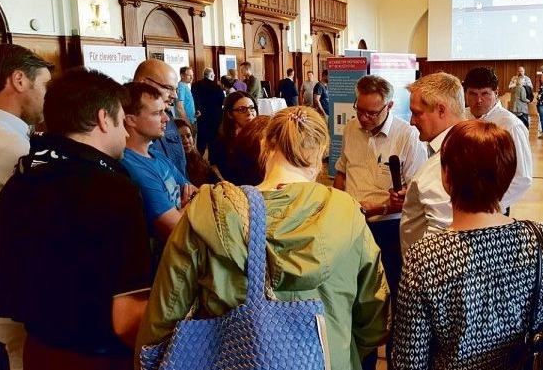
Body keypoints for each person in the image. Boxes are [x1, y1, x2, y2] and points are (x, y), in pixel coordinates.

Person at [137, 106, 390, 370]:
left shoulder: (210, 212)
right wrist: (342, 350)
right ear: (320, 155)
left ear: (265, 146)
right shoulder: (346, 212)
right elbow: (373, 315)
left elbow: (164, 315)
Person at [0, 68, 151, 370]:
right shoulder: (113, 188)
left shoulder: (23, 178)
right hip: (100, 356)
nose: (126, 133)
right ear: (102, 118)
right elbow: (127, 316)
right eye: (121, 120)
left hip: (39, 349)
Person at [392, 120, 543, 370]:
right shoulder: (538, 237)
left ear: (446, 176)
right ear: (507, 175)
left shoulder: (426, 257)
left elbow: (410, 360)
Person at [333, 75, 428, 369]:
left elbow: (417, 191)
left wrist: (387, 204)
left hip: (389, 229)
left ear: (388, 106)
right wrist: (335, 207)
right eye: (358, 109)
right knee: (359, 301)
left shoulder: (407, 136)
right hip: (353, 225)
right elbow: (342, 173)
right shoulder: (351, 128)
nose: (363, 117)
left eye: (371, 112)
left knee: (394, 300)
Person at [0, 43, 53, 370]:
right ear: (19, 80)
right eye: (44, 86)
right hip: (4, 292)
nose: (46, 96)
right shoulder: (10, 144)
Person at [120, 83, 197, 242]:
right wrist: (187, 208)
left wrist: (182, 210)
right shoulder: (133, 166)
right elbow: (174, 227)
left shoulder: (155, 155)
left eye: (164, 111)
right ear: (131, 120)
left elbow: (198, 193)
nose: (166, 119)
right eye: (157, 113)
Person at [399, 72, 465, 253]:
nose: (412, 122)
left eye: (417, 113)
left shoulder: (446, 161)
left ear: (441, 110)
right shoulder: (471, 145)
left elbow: (443, 235)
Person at [462, 67, 532, 215]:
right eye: (472, 94)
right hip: (460, 204)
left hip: (492, 207)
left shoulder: (509, 125)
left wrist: (491, 206)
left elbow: (522, 176)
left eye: (485, 94)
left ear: (496, 93)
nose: (478, 100)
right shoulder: (461, 118)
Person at [133, 59, 187, 177]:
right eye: (168, 88)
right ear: (143, 84)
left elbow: (181, 169)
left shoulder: (169, 119)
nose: (175, 95)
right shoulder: (122, 128)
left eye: (175, 89)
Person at [209, 91, 259, 184]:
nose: (249, 113)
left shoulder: (263, 137)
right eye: (241, 109)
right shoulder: (220, 145)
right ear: (230, 114)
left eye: (252, 108)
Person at [174, 118, 221, 187]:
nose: (186, 141)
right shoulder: (172, 167)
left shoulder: (198, 160)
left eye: (188, 136)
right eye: (180, 137)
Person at [191, 67, 224, 154]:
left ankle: (199, 160)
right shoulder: (217, 87)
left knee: (201, 139)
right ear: (212, 75)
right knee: (213, 140)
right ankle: (212, 160)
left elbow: (193, 100)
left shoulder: (195, 85)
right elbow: (222, 101)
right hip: (214, 117)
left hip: (201, 115)